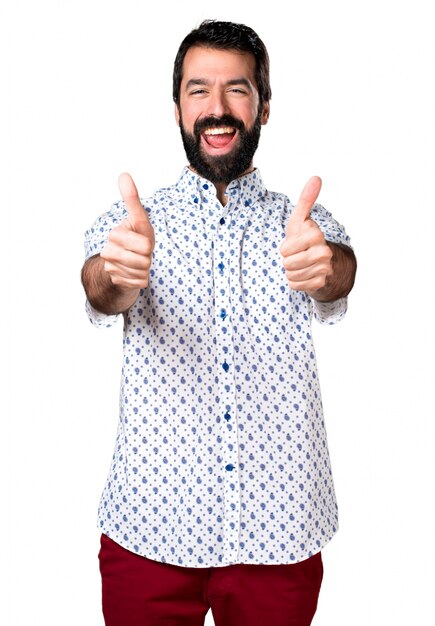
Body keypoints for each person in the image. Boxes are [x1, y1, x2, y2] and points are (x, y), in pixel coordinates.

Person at [81, 19, 356, 626]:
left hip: (281, 529)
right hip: (149, 529)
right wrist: (117, 276)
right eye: (198, 90)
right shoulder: (130, 224)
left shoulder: (303, 224)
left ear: (263, 106)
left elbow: (338, 273)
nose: (217, 107)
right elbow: (101, 289)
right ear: (177, 106)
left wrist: (327, 268)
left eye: (237, 89)